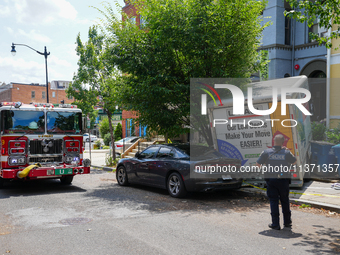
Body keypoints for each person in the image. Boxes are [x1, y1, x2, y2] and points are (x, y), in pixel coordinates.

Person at [256, 134, 297, 230]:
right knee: (285, 200)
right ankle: (287, 222)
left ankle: (275, 224)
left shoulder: (266, 152)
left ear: (273, 141)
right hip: (283, 180)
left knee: (274, 201)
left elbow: (258, 164)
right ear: (283, 142)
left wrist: (266, 165)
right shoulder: (286, 152)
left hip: (271, 180)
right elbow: (294, 162)